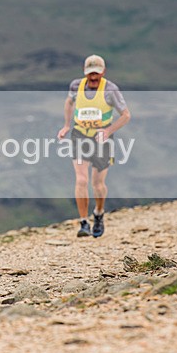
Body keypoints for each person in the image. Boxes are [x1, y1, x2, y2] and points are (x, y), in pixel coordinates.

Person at [57, 54, 131, 238]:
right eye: (90, 74)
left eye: (96, 74)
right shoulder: (76, 86)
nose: (93, 78)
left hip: (101, 139)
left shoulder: (110, 90)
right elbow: (68, 102)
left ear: (103, 72)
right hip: (80, 136)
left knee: (97, 184)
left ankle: (98, 213)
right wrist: (67, 125)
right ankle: (83, 223)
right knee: (81, 180)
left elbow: (126, 115)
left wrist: (108, 131)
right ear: (85, 73)